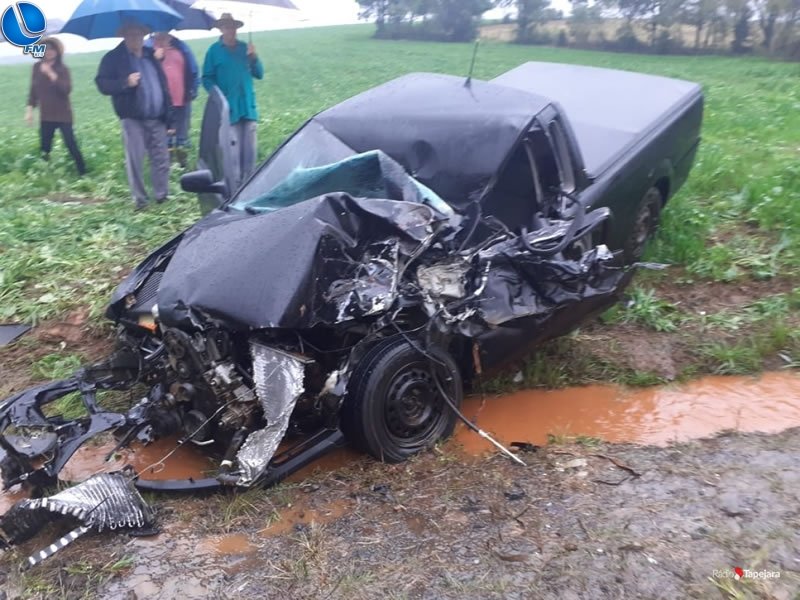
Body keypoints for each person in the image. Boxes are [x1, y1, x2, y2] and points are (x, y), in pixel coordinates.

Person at [95, 21, 174, 211]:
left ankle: (161, 195)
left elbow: (163, 86)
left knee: (161, 158)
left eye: (139, 35)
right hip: (132, 118)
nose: (136, 38)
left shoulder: (150, 56)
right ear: (124, 36)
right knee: (136, 159)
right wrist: (125, 82)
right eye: (131, 35)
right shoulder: (113, 58)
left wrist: (170, 118)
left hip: (157, 116)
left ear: (144, 36)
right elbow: (102, 84)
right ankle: (140, 200)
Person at [202, 13, 264, 189]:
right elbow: (207, 78)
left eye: (233, 27)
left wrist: (254, 57)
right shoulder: (213, 51)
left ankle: (250, 188)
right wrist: (219, 99)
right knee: (232, 155)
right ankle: (234, 190)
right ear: (221, 29)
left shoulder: (245, 48)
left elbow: (259, 74)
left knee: (250, 153)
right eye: (227, 27)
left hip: (247, 108)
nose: (231, 30)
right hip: (229, 111)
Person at [25, 36, 87, 176]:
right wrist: (29, 110)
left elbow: (66, 90)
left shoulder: (63, 69)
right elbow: (33, 91)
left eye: (52, 49)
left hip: (63, 114)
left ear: (58, 51)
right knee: (45, 147)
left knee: (71, 144)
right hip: (46, 114)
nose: (49, 52)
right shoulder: (36, 68)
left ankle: (83, 173)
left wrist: (51, 74)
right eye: (46, 49)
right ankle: (45, 175)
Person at [146, 31, 200, 168]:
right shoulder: (147, 48)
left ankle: (183, 169)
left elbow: (193, 70)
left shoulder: (181, 47)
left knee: (182, 138)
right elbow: (144, 73)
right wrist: (155, 59)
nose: (164, 33)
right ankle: (166, 170)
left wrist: (193, 89)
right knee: (163, 140)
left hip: (182, 100)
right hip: (160, 104)